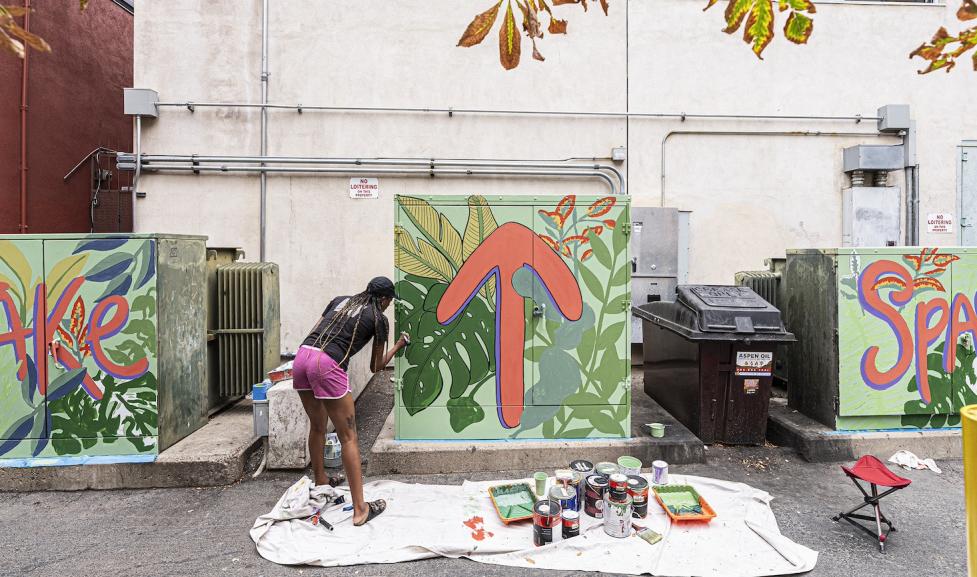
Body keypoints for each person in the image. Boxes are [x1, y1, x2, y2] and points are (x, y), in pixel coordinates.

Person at [293, 276, 409, 526]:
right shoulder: (378, 318)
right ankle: (360, 509)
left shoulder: (341, 301)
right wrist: (399, 345)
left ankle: (321, 481)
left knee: (318, 426)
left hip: (303, 357)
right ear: (384, 299)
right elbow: (376, 365)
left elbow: (317, 331)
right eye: (389, 301)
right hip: (326, 364)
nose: (389, 305)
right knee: (348, 437)